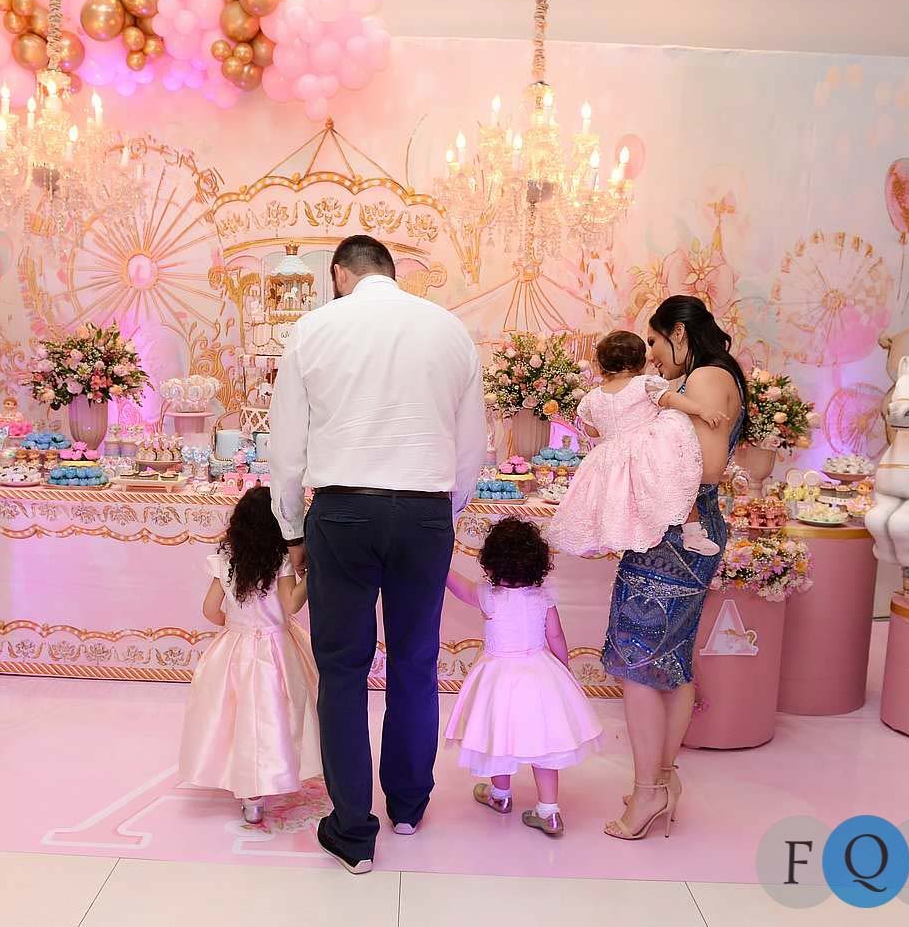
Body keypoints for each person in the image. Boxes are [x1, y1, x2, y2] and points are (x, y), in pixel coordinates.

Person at [269, 234, 486, 874]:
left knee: (342, 668)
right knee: (415, 662)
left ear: (340, 274)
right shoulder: (449, 330)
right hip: (424, 510)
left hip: (342, 510)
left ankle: (352, 832)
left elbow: (286, 448)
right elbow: (471, 448)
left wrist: (292, 531)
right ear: (392, 272)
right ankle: (410, 806)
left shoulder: (312, 330)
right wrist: (441, 515)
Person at [601, 296, 747, 841]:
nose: (653, 356)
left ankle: (649, 792)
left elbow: (705, 468)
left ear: (679, 333)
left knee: (638, 662)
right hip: (681, 531)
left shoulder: (706, 378)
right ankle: (662, 780)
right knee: (671, 661)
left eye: (656, 342)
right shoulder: (717, 376)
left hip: (676, 538)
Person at [444, 518, 604, 838]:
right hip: (540, 674)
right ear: (538, 562)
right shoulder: (543, 596)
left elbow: (457, 586)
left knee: (498, 735)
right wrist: (563, 670)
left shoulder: (488, 596)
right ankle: (549, 811)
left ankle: (500, 795)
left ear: (490, 561)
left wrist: (439, 562)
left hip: (498, 678)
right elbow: (556, 636)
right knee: (545, 744)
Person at [177, 486, 320, 826]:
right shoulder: (281, 561)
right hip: (278, 647)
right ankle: (275, 775)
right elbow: (291, 604)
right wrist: (314, 572)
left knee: (235, 716)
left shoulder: (227, 561)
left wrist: (234, 626)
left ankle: (249, 796)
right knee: (280, 714)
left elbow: (210, 609)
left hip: (236, 647)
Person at [547, 330, 728, 558]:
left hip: (611, 457)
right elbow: (670, 399)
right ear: (640, 362)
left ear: (601, 365)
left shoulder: (592, 397)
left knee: (619, 500)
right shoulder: (644, 384)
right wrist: (701, 409)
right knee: (677, 484)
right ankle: (692, 534)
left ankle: (617, 536)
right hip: (646, 451)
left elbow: (592, 431)